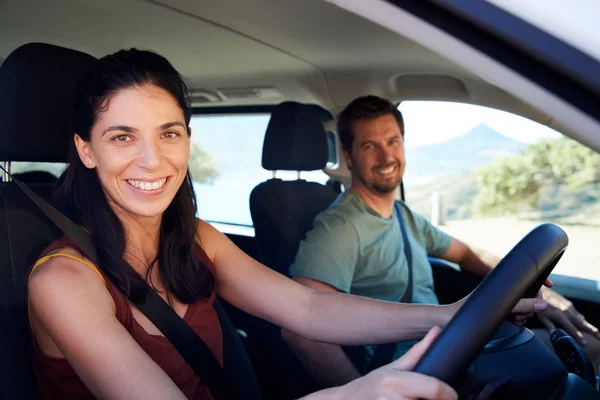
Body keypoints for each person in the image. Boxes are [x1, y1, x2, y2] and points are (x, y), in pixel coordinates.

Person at [26, 50, 544, 400]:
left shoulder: (194, 236)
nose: (153, 161)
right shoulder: (63, 283)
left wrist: (453, 315)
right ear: (85, 150)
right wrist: (351, 393)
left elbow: (308, 307)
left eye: (168, 133)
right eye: (122, 137)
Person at [284, 95, 600, 387]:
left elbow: (466, 252)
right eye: (369, 146)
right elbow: (302, 331)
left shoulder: (403, 215)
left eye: (393, 141)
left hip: (449, 345)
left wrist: (537, 288)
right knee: (585, 357)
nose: (386, 156)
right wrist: (360, 392)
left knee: (585, 349)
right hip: (415, 369)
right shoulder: (339, 227)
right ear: (349, 156)